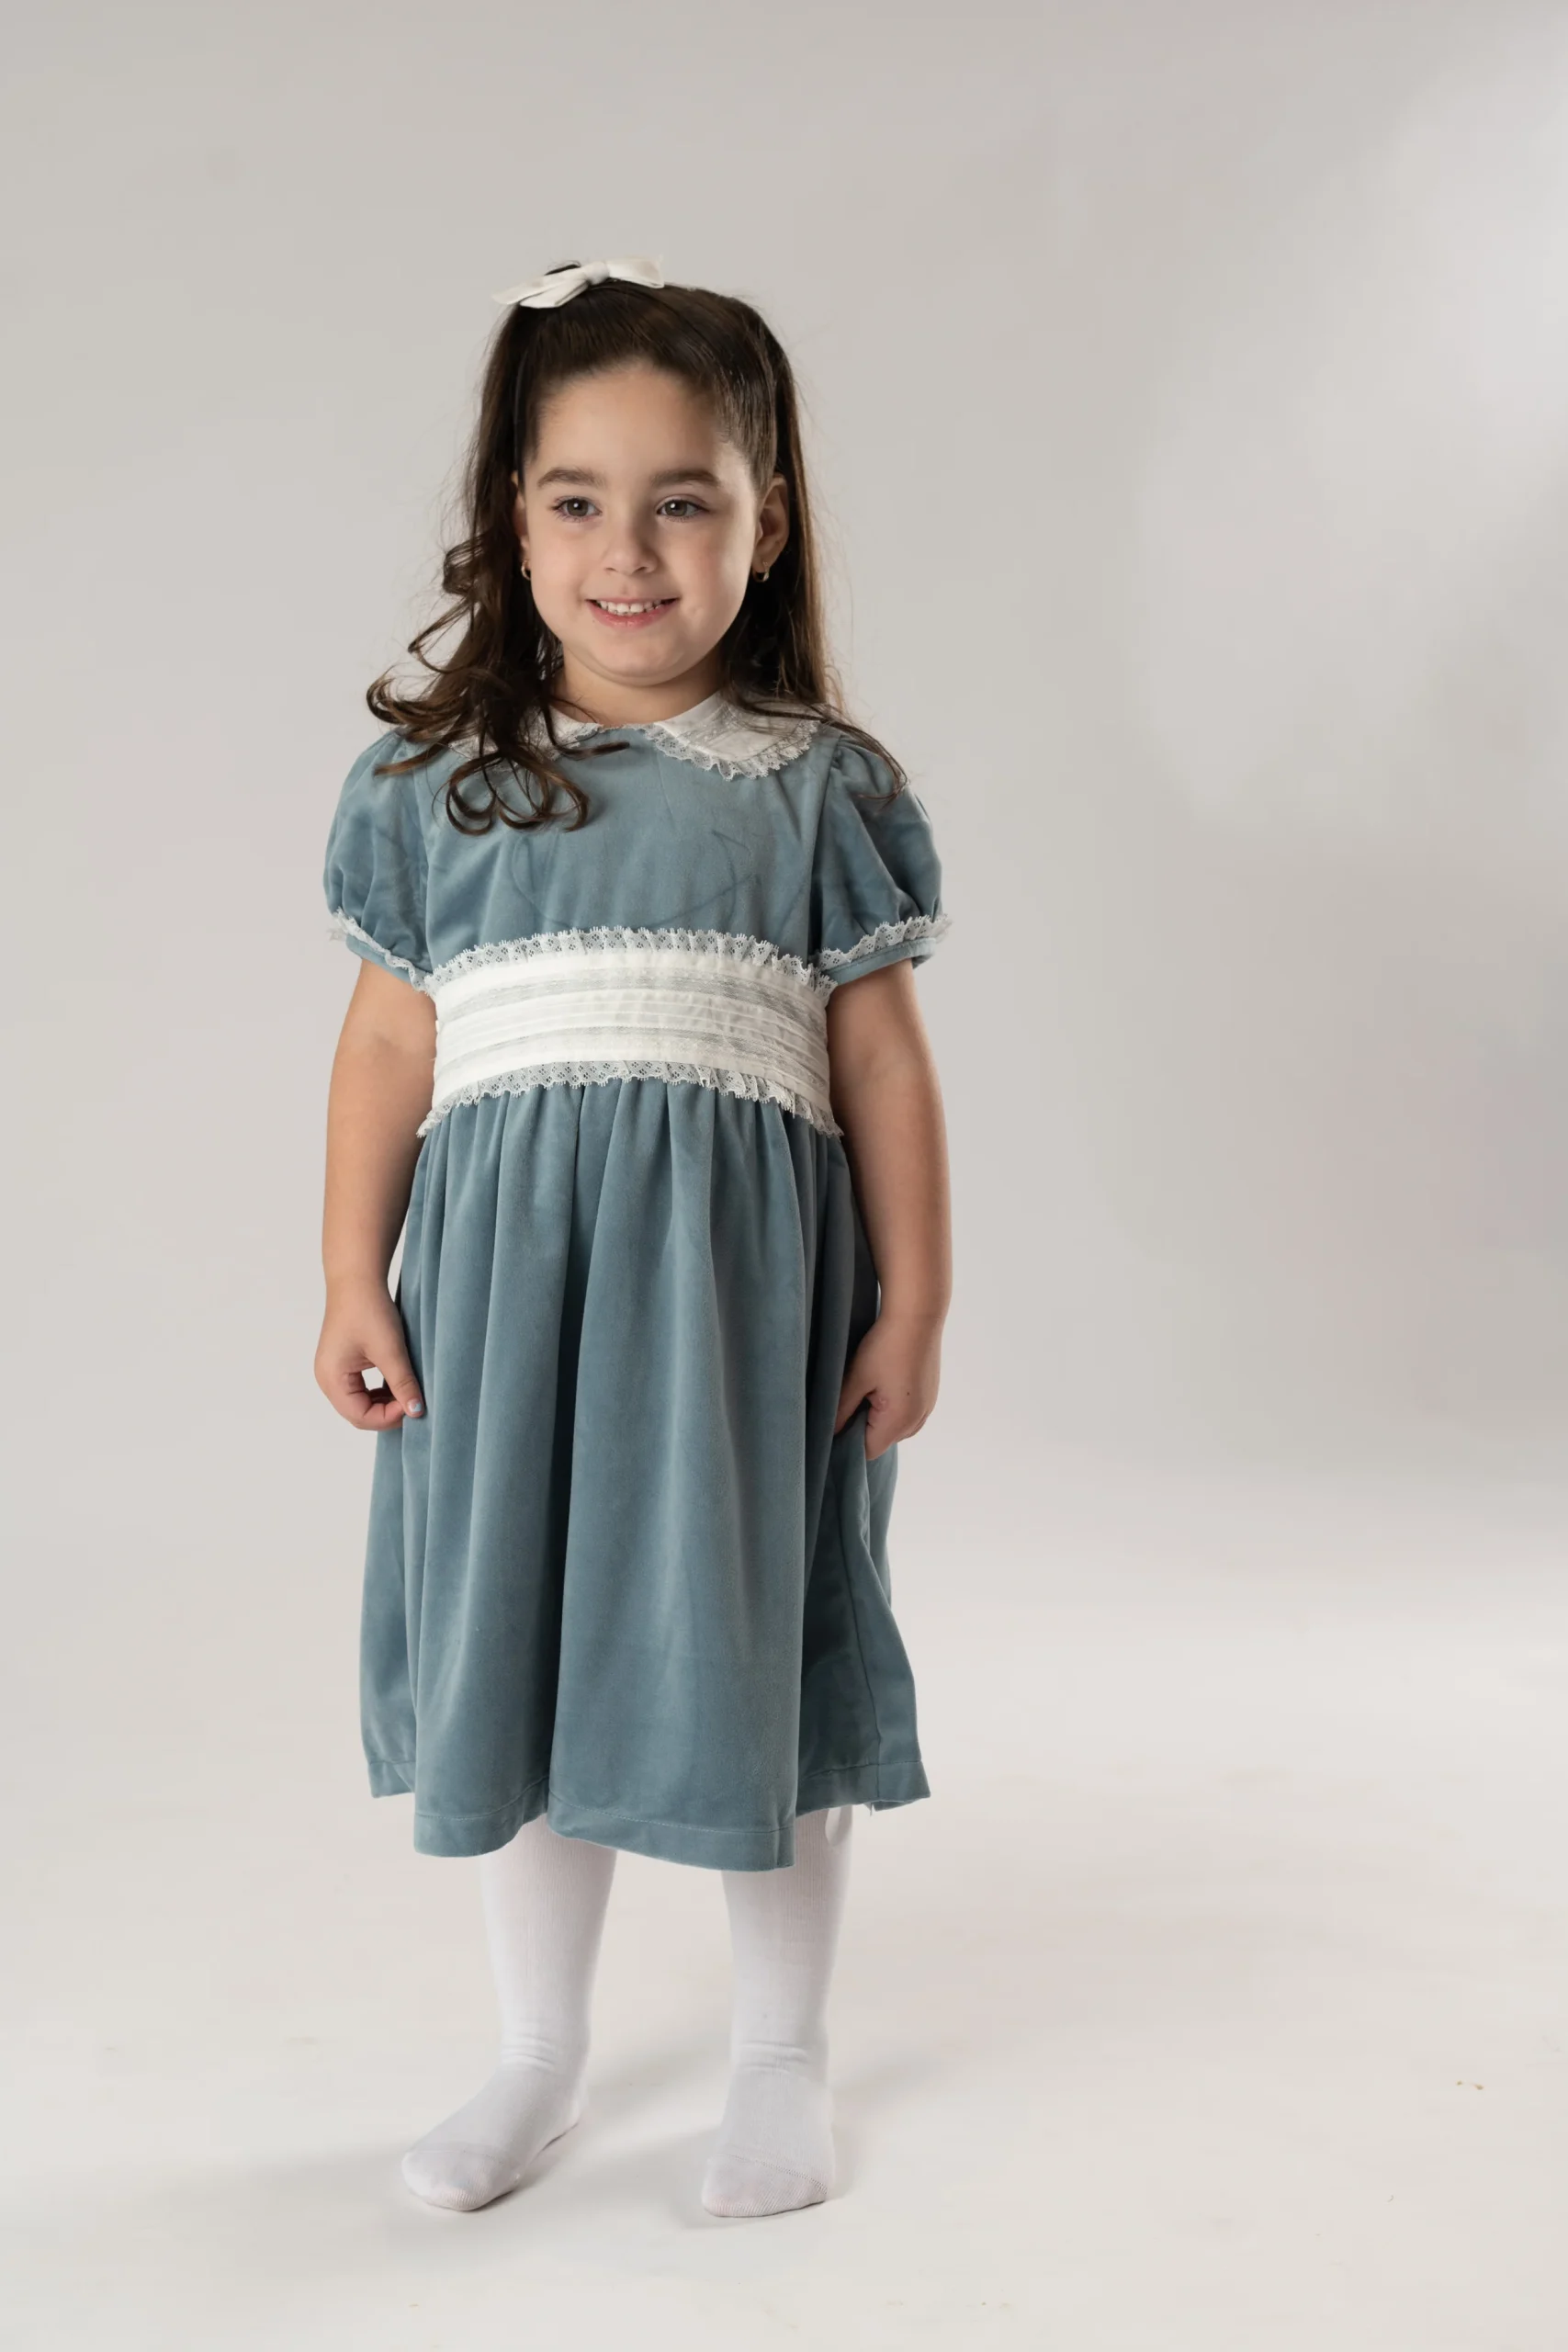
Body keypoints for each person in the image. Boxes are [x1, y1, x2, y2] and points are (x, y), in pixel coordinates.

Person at [313, 255, 953, 2222]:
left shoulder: (814, 788)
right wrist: (348, 1275)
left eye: (685, 500)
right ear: (513, 523)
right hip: (503, 1312)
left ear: (768, 522)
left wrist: (916, 1300)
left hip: (743, 1314)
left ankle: (778, 2054)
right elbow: (387, 1045)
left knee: (758, 1629)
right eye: (578, 500)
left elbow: (880, 1059)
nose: (630, 551)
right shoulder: (438, 792)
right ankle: (537, 2049)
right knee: (518, 1635)